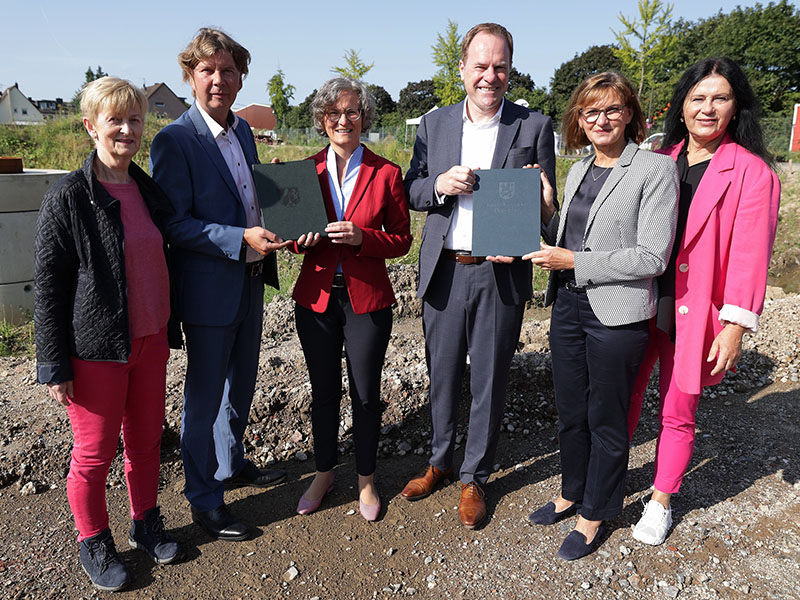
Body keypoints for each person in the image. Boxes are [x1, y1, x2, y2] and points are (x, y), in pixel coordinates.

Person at [402, 22, 556, 529]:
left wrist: (542, 203)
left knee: (490, 377)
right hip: (446, 270)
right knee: (442, 372)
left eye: (500, 67)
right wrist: (440, 185)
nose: (490, 76)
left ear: (510, 70)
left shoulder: (533, 126)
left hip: (499, 275)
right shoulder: (435, 124)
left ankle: (476, 476)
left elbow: (547, 211)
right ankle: (440, 460)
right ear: (462, 69)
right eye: (481, 66)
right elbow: (412, 192)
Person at [34, 76, 182, 592]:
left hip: (151, 341)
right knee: (93, 455)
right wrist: (53, 363)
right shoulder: (69, 197)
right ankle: (94, 539)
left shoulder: (146, 188)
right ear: (90, 126)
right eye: (114, 120)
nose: (126, 129)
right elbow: (49, 285)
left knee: (145, 444)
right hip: (95, 350)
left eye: (135, 119)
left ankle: (146, 523)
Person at [524, 72, 678, 560]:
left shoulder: (654, 170)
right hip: (569, 304)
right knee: (571, 410)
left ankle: (596, 512)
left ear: (629, 113)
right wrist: (550, 205)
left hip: (618, 311)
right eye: (591, 112)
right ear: (580, 120)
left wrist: (574, 262)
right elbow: (569, 234)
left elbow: (653, 256)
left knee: (606, 417)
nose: (601, 119)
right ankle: (571, 491)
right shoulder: (578, 170)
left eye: (611, 109)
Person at [627, 57, 781, 546]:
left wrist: (735, 324)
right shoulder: (658, 158)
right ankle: (606, 477)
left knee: (678, 406)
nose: (708, 108)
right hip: (640, 297)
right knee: (622, 395)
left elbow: (750, 255)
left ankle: (660, 499)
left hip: (695, 308)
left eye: (720, 98)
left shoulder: (752, 173)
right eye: (698, 98)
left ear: (736, 108)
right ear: (682, 105)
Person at [150, 28, 289, 542]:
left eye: (228, 70)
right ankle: (205, 499)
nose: (218, 80)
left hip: (252, 278)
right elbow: (173, 223)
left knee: (242, 385)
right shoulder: (174, 140)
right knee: (204, 398)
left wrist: (279, 199)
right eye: (207, 70)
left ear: (239, 77)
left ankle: (231, 464)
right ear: (190, 76)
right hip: (209, 287)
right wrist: (238, 236)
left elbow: (246, 193)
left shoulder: (244, 132)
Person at [290, 78, 412, 521]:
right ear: (322, 120)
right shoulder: (305, 172)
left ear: (364, 118)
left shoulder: (387, 173)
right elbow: (291, 237)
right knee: (323, 392)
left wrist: (364, 237)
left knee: (364, 395)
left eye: (352, 112)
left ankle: (365, 479)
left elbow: (401, 240)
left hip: (367, 302)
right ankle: (323, 473)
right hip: (316, 299)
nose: (343, 120)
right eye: (334, 113)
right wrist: (298, 240)